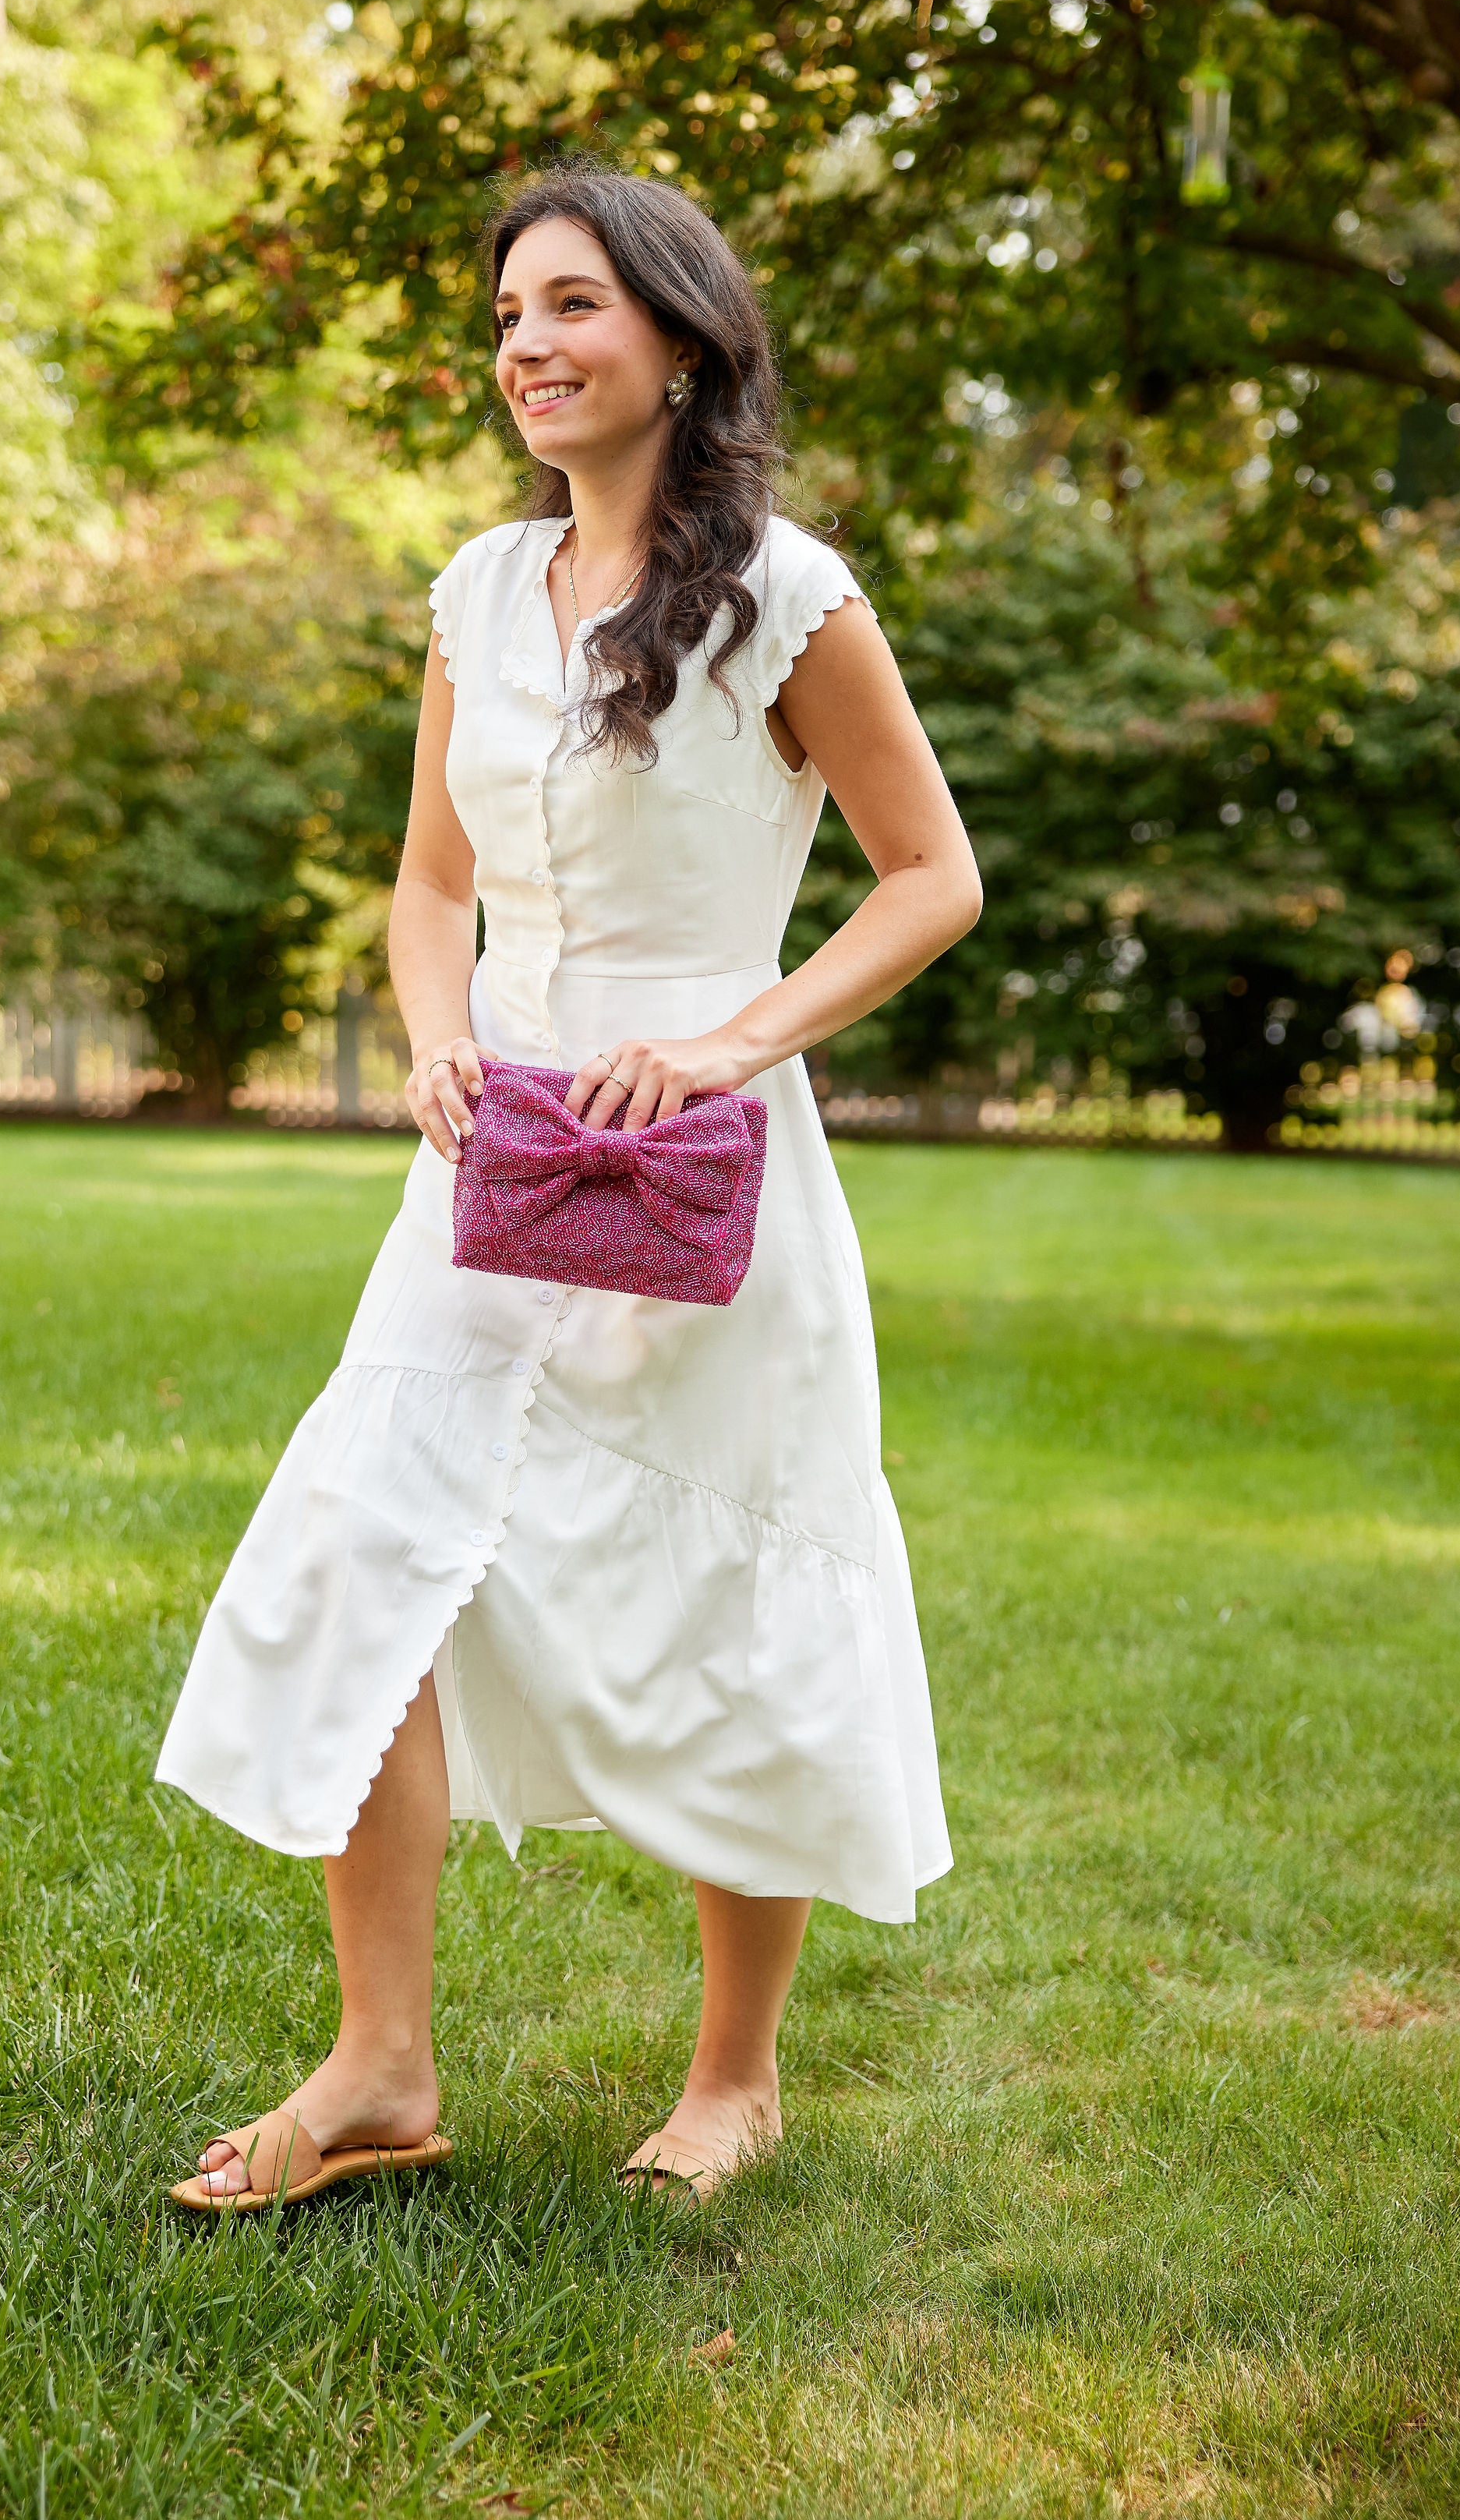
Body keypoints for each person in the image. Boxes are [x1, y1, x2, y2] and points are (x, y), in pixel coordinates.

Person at [157, 163, 981, 2211]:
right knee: (369, 1548)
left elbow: (932, 879)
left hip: (706, 1178)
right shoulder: (469, 592)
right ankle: (378, 2064)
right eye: (508, 310)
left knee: (724, 1586)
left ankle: (731, 2078)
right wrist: (435, 1037)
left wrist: (723, 1041)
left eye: (571, 306)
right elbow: (431, 882)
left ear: (682, 340)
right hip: (486, 1174)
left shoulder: (789, 597)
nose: (524, 343)